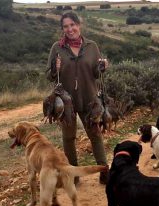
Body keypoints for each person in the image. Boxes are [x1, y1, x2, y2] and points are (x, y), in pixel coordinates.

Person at [46, 11, 109, 184]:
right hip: (66, 103)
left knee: (95, 135)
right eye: (66, 26)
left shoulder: (91, 46)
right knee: (68, 138)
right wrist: (54, 68)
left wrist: (102, 66)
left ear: (78, 25)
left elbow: (96, 73)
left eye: (72, 25)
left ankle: (104, 171)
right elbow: (49, 76)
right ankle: (73, 175)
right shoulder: (57, 48)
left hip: (89, 98)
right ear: (62, 29)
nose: (70, 29)